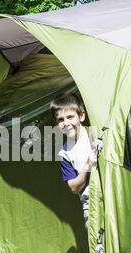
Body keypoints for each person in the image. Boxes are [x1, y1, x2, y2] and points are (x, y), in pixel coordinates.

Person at [50, 93, 97, 229]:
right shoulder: (64, 154)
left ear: (81, 116)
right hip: (90, 205)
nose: (66, 123)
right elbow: (74, 188)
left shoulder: (95, 135)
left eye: (70, 117)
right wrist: (87, 166)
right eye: (60, 120)